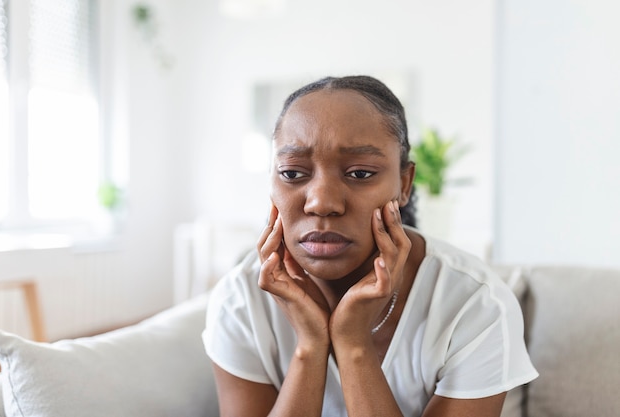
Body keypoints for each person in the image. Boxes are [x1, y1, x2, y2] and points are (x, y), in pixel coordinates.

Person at [202, 75, 538, 416]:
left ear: (404, 184)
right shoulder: (241, 300)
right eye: (292, 173)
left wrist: (354, 345)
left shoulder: (475, 304)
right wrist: (309, 347)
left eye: (360, 173)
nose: (321, 203)